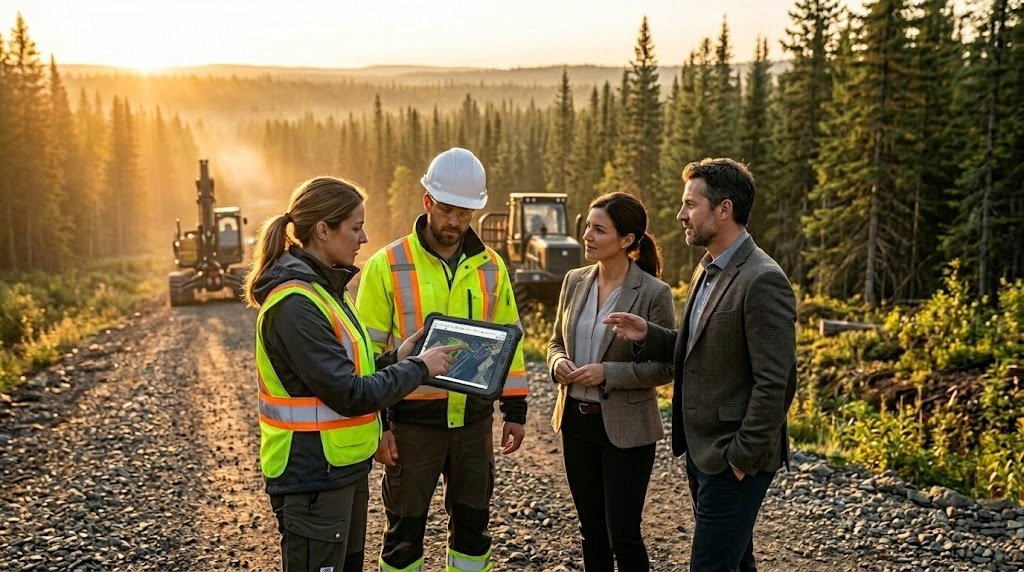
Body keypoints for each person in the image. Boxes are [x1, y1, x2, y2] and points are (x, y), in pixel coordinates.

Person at [242, 176, 466, 572]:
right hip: (312, 475)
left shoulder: (328, 291)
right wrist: (419, 368)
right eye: (356, 227)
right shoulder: (296, 304)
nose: (363, 238)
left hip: (340, 468)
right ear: (323, 231)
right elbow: (350, 393)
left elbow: (353, 371)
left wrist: (399, 356)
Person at [604, 158, 797, 572]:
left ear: (723, 209)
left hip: (732, 458)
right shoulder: (707, 269)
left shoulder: (763, 279)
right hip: (704, 451)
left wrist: (740, 459)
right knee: (736, 563)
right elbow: (702, 352)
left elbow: (776, 384)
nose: (680, 215)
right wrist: (649, 335)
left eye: (691, 204)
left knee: (710, 566)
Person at [356, 147, 529, 572]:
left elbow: (510, 342)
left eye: (465, 214)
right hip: (411, 423)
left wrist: (516, 408)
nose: (454, 222)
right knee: (404, 532)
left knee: (474, 528)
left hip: (473, 423)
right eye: (447, 210)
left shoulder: (492, 267)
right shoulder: (387, 265)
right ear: (427, 202)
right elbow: (366, 359)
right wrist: (379, 426)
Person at [547, 192, 675, 572]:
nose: (587, 235)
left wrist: (609, 374)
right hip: (575, 422)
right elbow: (555, 341)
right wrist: (557, 363)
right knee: (592, 533)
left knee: (624, 534)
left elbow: (666, 366)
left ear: (627, 240)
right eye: (587, 226)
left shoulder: (654, 292)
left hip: (627, 429)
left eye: (599, 229)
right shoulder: (573, 281)